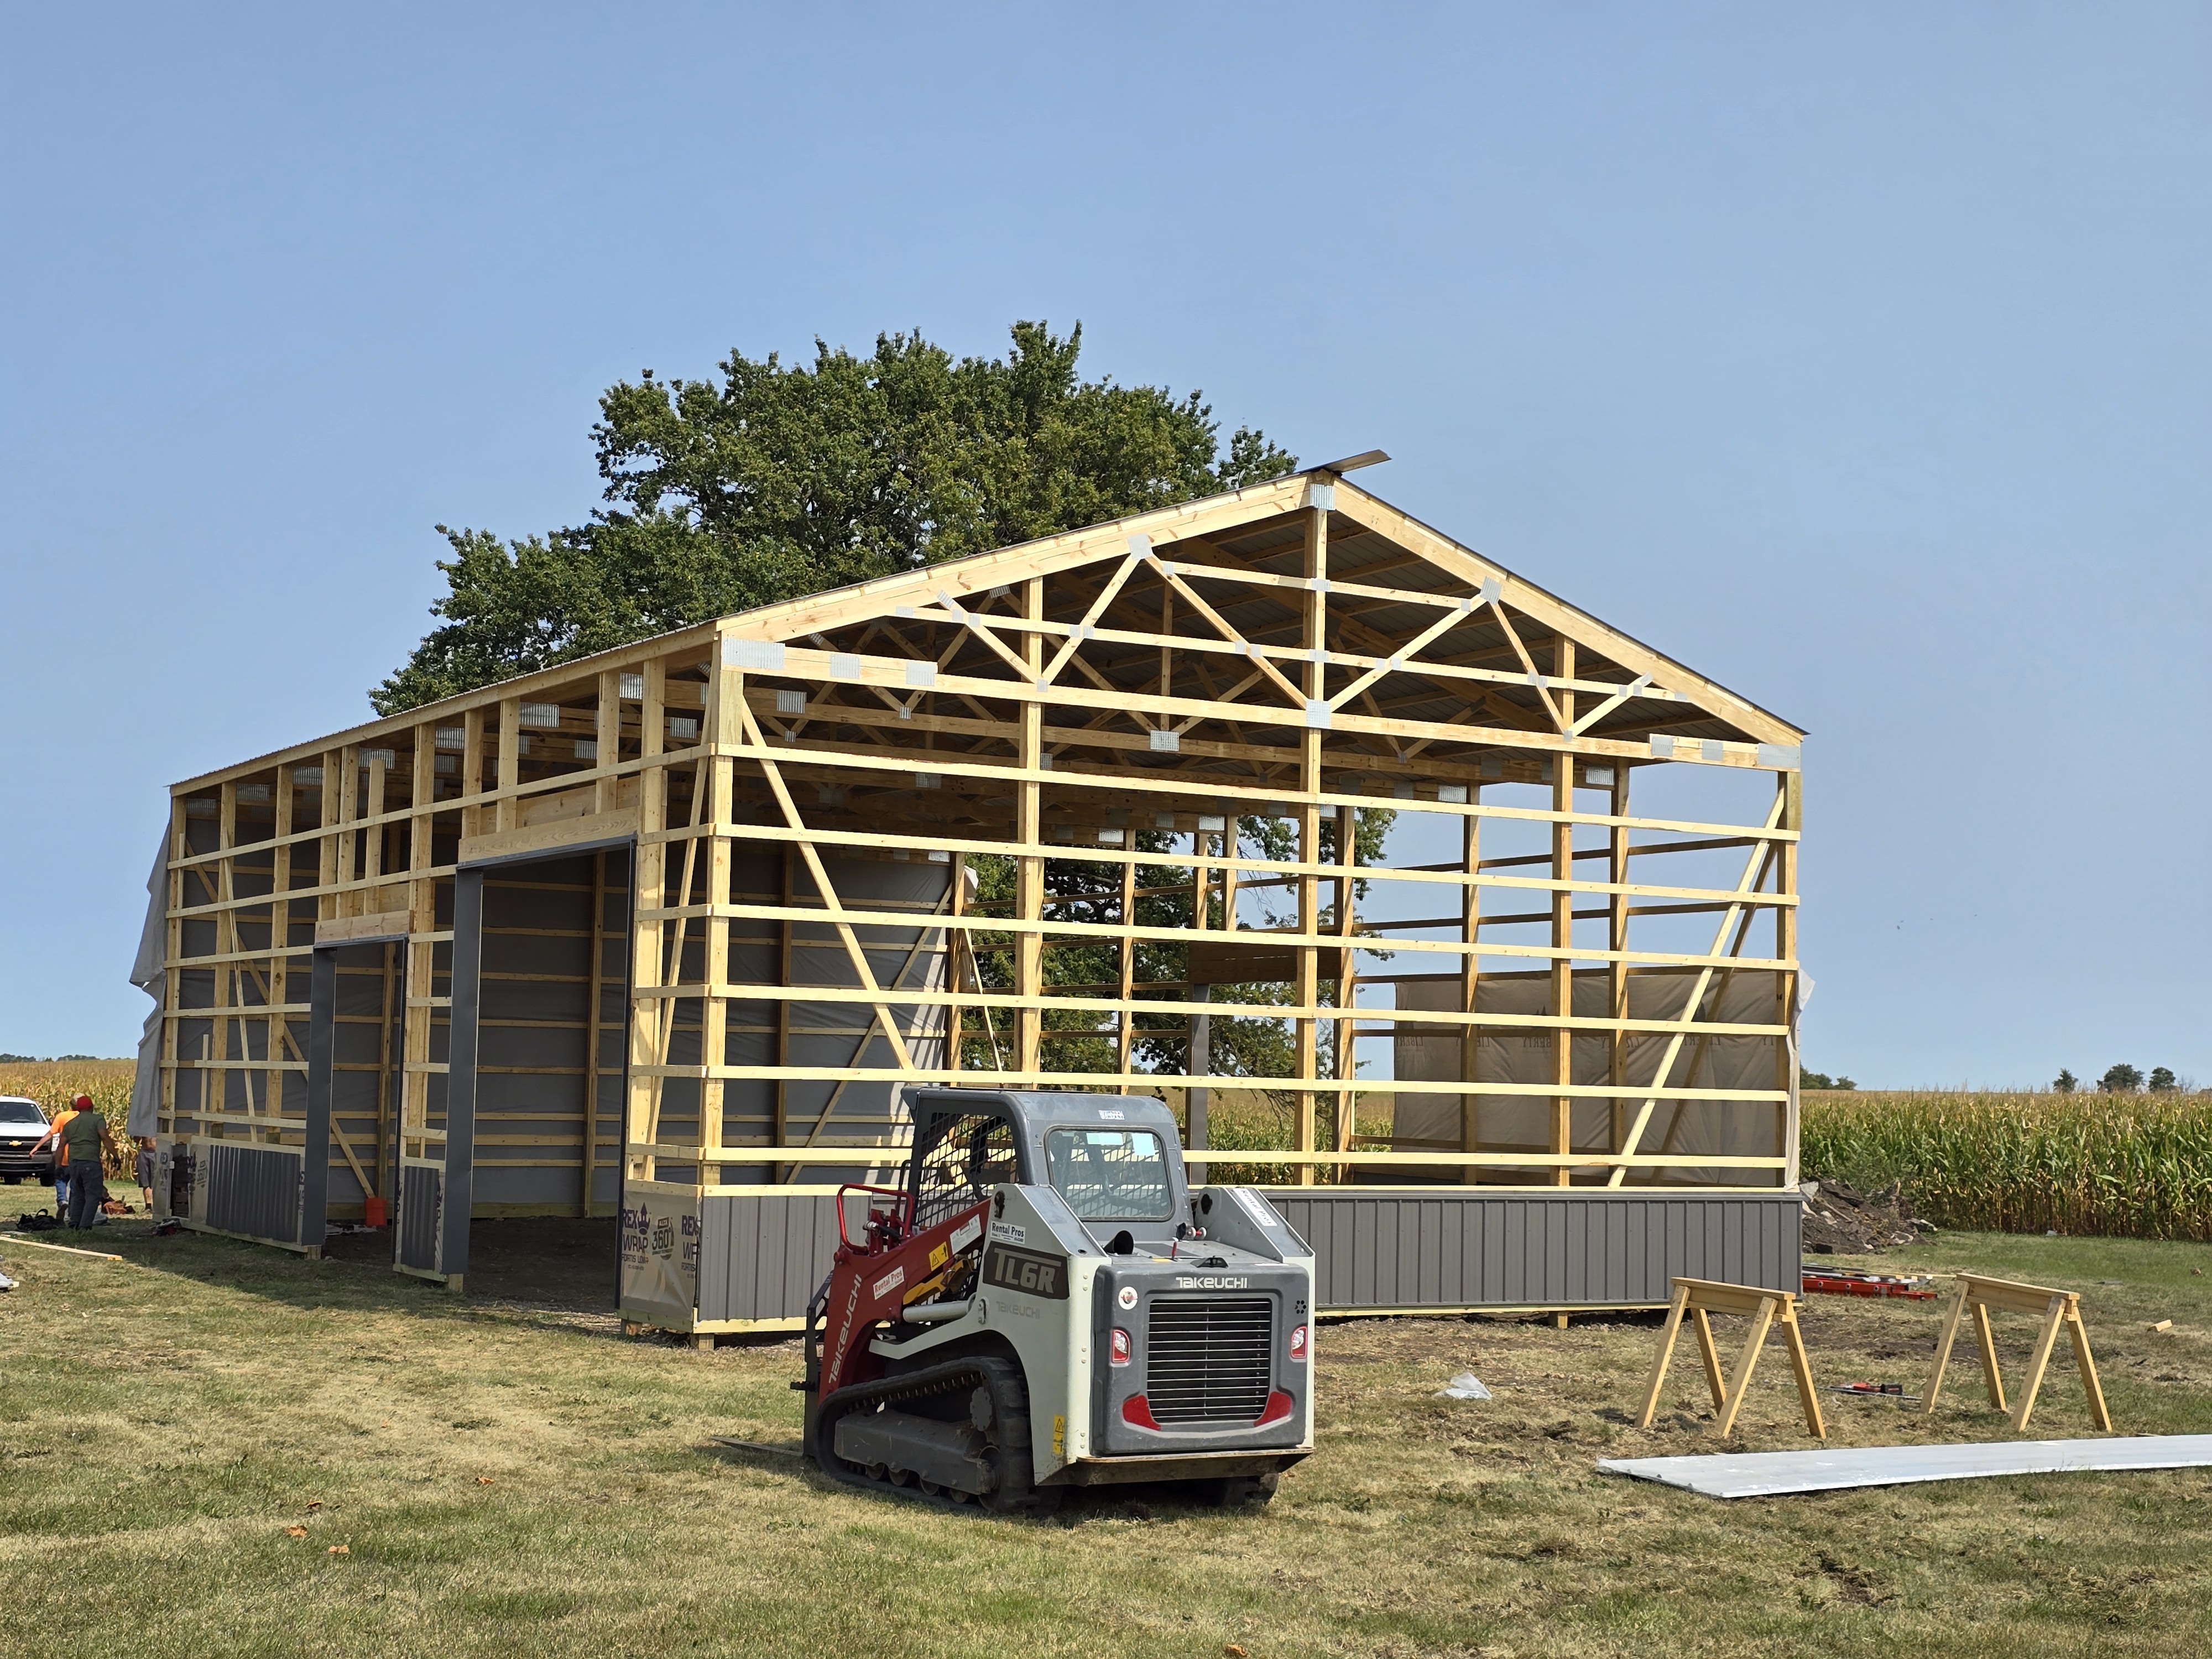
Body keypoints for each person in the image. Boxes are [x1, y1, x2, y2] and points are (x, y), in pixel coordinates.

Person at [36, 1094, 108, 1229]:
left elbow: (61, 1145)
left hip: (73, 1163)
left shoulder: (70, 1124)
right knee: (93, 1195)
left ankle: (74, 1221)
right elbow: (104, 1137)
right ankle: (85, 1225)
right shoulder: (97, 1119)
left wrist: (57, 1165)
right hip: (90, 1161)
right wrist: (115, 1155)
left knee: (77, 1194)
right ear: (91, 1107)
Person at [137, 1136, 156, 1212]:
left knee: (157, 1181)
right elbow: (135, 1139)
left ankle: (158, 1206)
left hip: (156, 1153)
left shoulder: (160, 1125)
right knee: (145, 1181)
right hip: (143, 1153)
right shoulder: (143, 1127)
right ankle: (148, 1206)